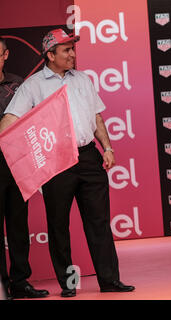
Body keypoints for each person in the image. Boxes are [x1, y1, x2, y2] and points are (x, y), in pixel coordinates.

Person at [0, 29, 134, 298]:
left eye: (73, 49)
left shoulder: (83, 79)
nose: (73, 54)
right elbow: (10, 119)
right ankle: (69, 284)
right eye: (66, 50)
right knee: (59, 225)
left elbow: (96, 117)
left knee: (99, 221)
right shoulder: (32, 86)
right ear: (50, 55)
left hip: (88, 156)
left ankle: (109, 280)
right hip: (56, 160)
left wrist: (106, 147)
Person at [0, 37, 49, 299]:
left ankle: (20, 282)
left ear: (5, 55)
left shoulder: (19, 84)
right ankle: (1, 286)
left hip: (18, 164)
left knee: (19, 227)